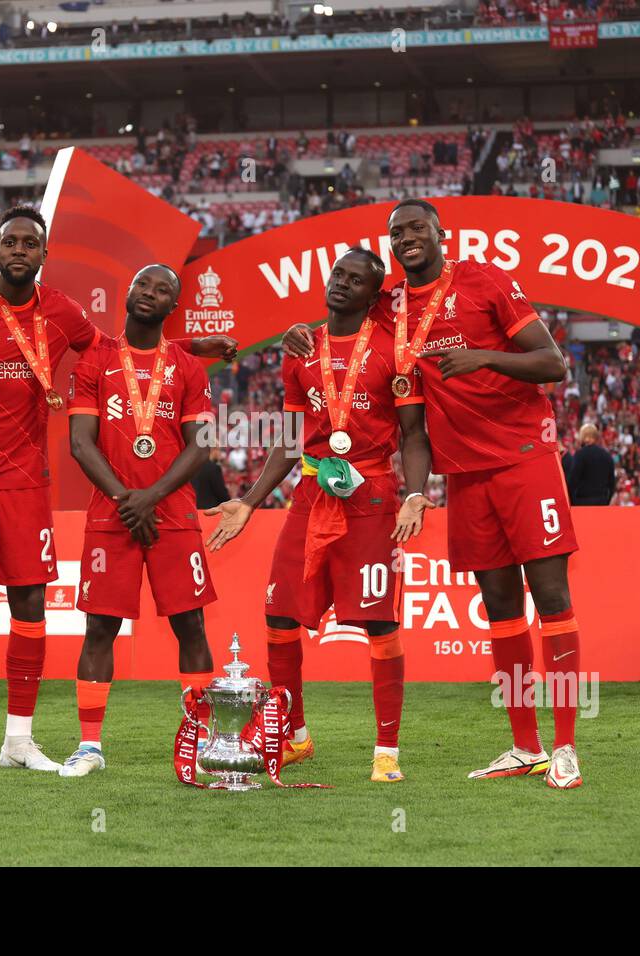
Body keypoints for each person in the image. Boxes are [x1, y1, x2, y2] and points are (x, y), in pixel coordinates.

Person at [0, 204, 236, 777]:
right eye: (10, 241)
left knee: (30, 607)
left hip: (28, 484)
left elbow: (120, 346)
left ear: (43, 255)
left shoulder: (61, 311)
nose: (19, 251)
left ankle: (19, 740)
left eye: (31, 243)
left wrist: (193, 348)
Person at [282, 199, 584, 789]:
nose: (405, 239)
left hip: (526, 458)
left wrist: (481, 357)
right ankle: (527, 746)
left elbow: (554, 363)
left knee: (551, 598)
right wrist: (299, 332)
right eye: (397, 233)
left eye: (416, 228)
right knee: (500, 609)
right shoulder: (390, 306)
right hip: (463, 474)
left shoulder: (483, 278)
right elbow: (339, 322)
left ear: (442, 233)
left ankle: (568, 745)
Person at [207, 248, 433, 783]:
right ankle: (296, 738)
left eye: (357, 281)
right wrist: (250, 500)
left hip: (371, 496)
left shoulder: (393, 351)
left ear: (372, 295)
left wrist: (417, 492)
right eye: (338, 275)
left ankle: (386, 752)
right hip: (310, 496)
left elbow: (415, 434)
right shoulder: (299, 347)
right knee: (280, 618)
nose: (342, 285)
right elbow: (287, 441)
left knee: (378, 623)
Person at [58, 265, 218, 777]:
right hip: (113, 512)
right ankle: (89, 747)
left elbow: (201, 446)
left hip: (171, 512)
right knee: (100, 625)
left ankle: (199, 738)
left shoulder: (188, 365)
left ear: (174, 306)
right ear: (127, 294)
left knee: (190, 625)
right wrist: (129, 499)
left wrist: (149, 497)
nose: (151, 294)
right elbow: (81, 442)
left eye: (163, 291)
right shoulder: (95, 361)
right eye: (144, 285)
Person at [568, 423, 616, 506]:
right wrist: (606, 501)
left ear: (582, 437)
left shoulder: (580, 455)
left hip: (582, 502)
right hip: (601, 502)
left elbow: (572, 481)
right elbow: (612, 483)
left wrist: (573, 501)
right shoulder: (607, 455)